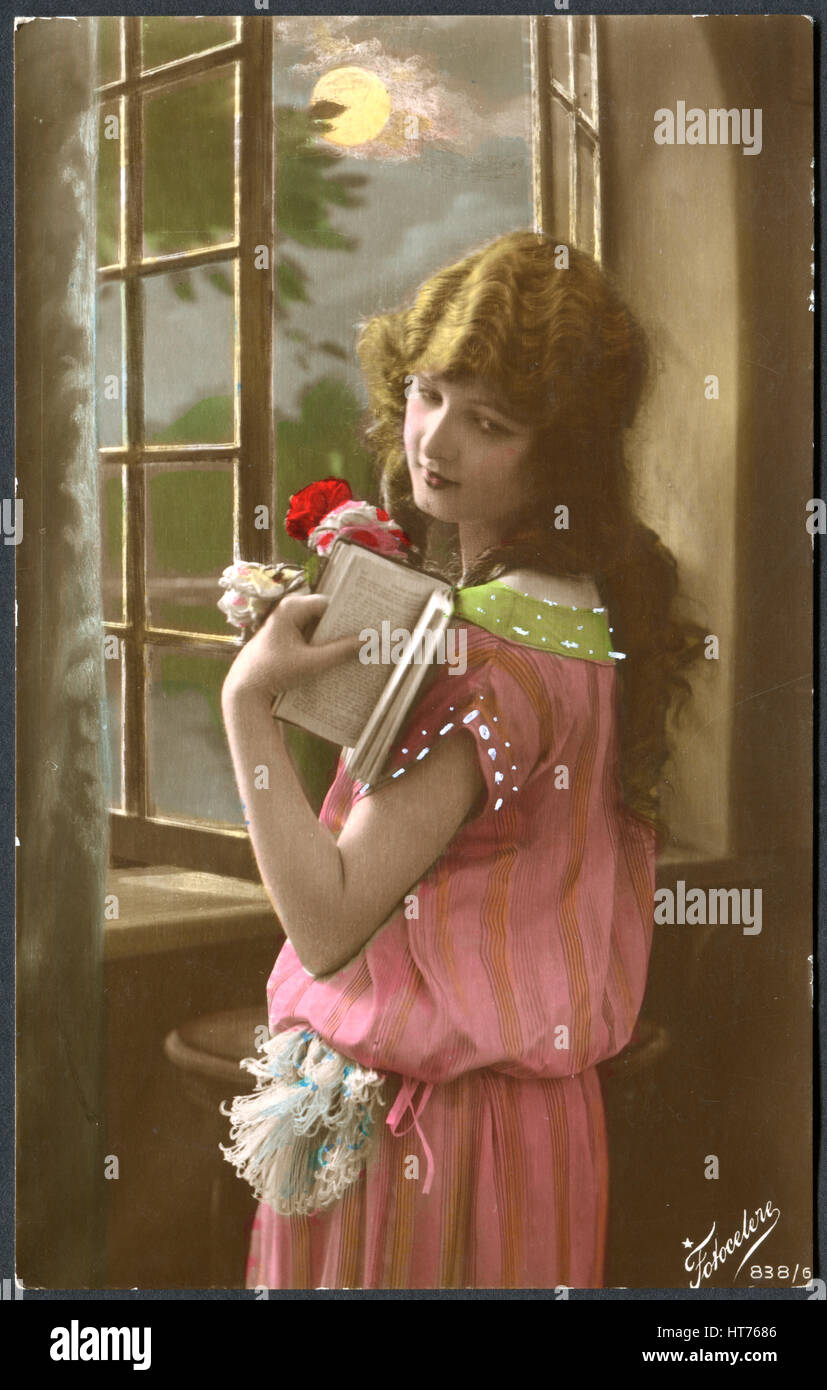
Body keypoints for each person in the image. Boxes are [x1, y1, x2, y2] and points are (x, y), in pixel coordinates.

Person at [220, 229, 702, 1289]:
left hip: (420, 1146)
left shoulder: (487, 647)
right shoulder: (579, 618)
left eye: (488, 421)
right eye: (428, 393)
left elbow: (331, 921)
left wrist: (248, 703)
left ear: (558, 453)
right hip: (526, 1136)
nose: (433, 439)